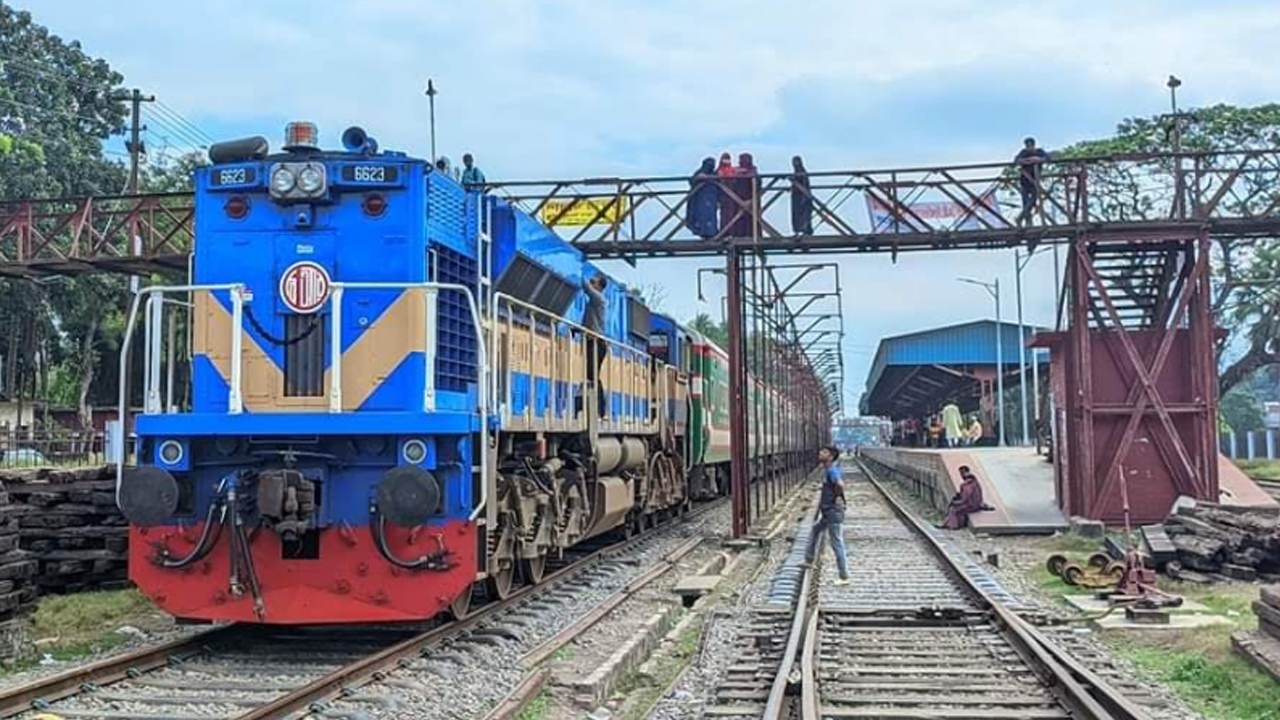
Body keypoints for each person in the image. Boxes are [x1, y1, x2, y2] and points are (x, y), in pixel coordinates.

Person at [804, 445, 850, 585]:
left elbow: (840, 484)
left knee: (837, 542)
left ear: (830, 457)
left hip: (833, 511)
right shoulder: (828, 470)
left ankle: (844, 576)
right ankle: (809, 559)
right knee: (815, 529)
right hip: (828, 512)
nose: (820, 453)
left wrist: (837, 497)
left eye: (824, 452)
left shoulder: (831, 470)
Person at [582, 275, 609, 418]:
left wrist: (583, 273)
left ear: (599, 286)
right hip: (592, 341)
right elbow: (590, 322)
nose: (591, 283)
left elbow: (584, 285)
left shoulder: (599, 298)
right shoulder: (595, 301)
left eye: (594, 282)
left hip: (597, 343)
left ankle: (600, 409)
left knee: (592, 375)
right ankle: (593, 407)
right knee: (590, 375)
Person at [943, 465, 993, 529]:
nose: (961, 475)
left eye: (962, 473)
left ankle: (953, 526)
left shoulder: (967, 484)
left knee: (953, 509)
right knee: (957, 509)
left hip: (971, 505)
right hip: (976, 503)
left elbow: (965, 498)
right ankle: (949, 524)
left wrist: (957, 502)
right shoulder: (974, 481)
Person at [1014, 137, 1049, 227]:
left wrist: (1037, 159)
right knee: (1025, 202)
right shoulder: (1023, 152)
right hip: (1024, 180)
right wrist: (1028, 161)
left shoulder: (1039, 151)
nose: (1029, 147)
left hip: (1035, 180)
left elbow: (1047, 158)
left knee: (1033, 200)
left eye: (1030, 145)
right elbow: (1017, 160)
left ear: (1033, 145)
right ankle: (1028, 222)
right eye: (1027, 145)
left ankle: (1020, 218)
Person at [687, 157, 720, 239]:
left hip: (712, 199)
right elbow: (692, 181)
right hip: (701, 199)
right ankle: (702, 232)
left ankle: (712, 232)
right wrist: (699, 178)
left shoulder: (715, 174)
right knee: (702, 216)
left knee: (711, 217)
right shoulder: (699, 173)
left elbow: (719, 183)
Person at [730, 153, 759, 238]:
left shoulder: (753, 172)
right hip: (738, 199)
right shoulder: (737, 172)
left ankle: (751, 235)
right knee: (739, 220)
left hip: (750, 199)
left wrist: (751, 199)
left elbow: (757, 186)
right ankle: (739, 235)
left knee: (750, 219)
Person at [790, 155, 814, 237]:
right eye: (793, 162)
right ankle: (797, 231)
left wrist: (805, 196)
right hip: (796, 197)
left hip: (802, 196)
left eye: (796, 161)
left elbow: (805, 184)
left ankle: (805, 231)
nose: (794, 163)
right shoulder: (796, 172)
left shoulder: (802, 172)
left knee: (803, 215)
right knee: (796, 215)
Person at [716, 153, 736, 238]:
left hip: (732, 196)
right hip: (723, 195)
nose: (727, 161)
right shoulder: (719, 170)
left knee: (732, 214)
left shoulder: (733, 170)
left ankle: (731, 232)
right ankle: (723, 233)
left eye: (728, 159)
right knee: (724, 215)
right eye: (725, 159)